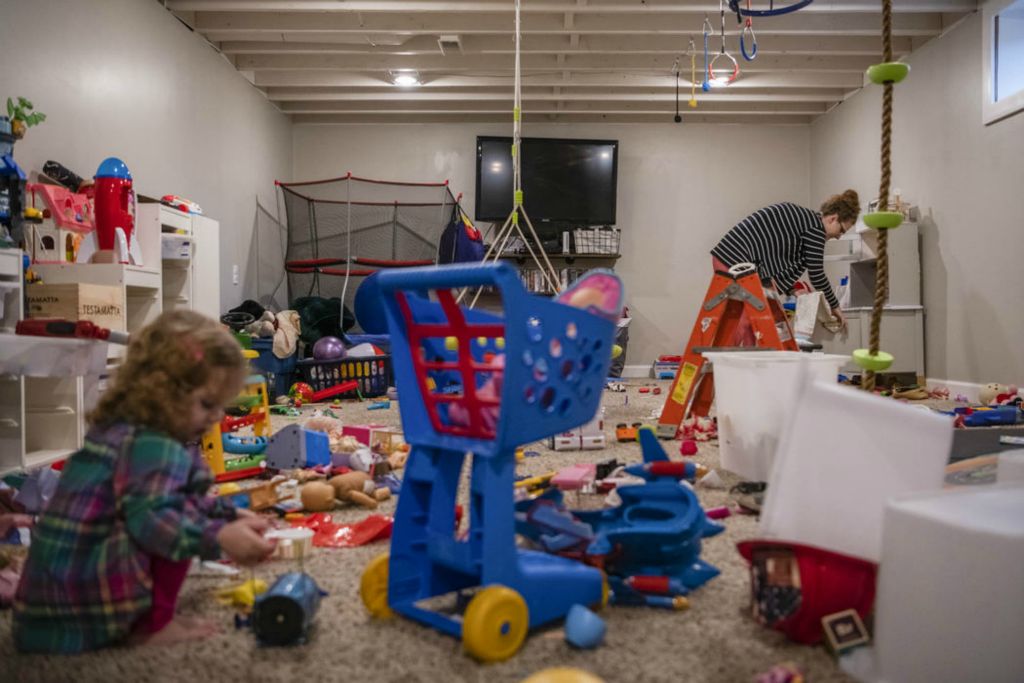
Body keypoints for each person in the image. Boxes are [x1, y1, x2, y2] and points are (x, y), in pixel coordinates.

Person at [13, 310, 276, 653]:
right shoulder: (152, 446)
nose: (218, 416)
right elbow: (157, 521)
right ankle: (150, 626)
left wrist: (227, 514)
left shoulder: (124, 430)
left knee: (178, 520)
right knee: (173, 533)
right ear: (160, 391)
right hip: (79, 610)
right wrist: (220, 535)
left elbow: (167, 500)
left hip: (51, 605)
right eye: (207, 403)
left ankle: (149, 617)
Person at [710, 190, 860, 345]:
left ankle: (747, 363)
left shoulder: (805, 221)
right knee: (746, 320)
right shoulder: (816, 228)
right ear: (832, 219)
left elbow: (777, 253)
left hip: (727, 256)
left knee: (753, 320)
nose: (839, 236)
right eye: (841, 230)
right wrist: (835, 306)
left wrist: (791, 288)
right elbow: (816, 274)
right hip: (736, 259)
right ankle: (724, 363)